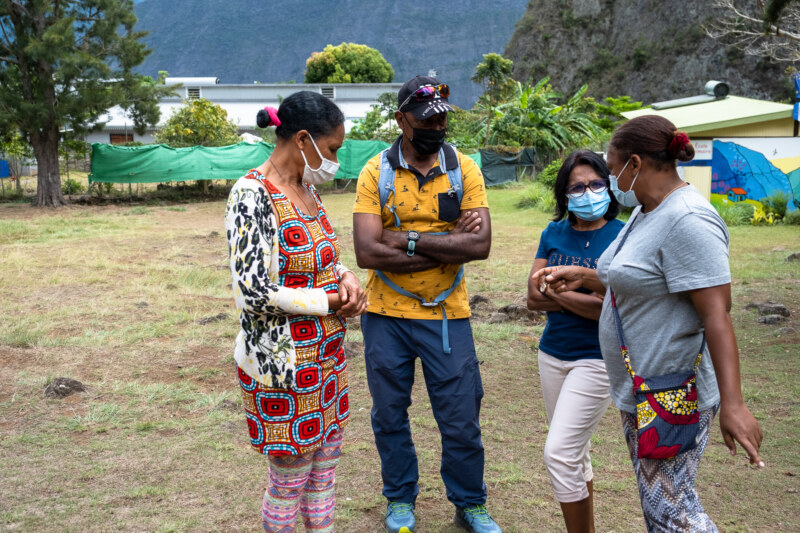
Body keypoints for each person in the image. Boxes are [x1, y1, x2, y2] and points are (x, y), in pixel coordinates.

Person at [531, 115, 764, 532]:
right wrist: (584, 276)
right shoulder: (647, 211)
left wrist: (734, 404)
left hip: (673, 391)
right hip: (642, 386)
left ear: (633, 164)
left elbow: (717, 313)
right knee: (662, 506)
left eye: (612, 165)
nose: (610, 178)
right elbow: (638, 273)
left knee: (671, 511)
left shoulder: (689, 219)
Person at [352, 76, 502, 533]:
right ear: (402, 120)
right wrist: (448, 240)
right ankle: (400, 499)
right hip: (385, 317)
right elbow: (366, 253)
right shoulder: (375, 172)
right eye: (426, 119)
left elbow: (480, 247)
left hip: (446, 314)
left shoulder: (465, 168)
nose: (437, 126)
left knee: (460, 419)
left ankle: (470, 503)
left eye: (442, 118)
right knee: (389, 415)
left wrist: (405, 239)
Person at [224, 91, 367, 533]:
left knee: (324, 473)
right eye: (333, 148)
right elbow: (252, 290)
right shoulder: (252, 195)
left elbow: (323, 256)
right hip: (282, 368)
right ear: (302, 139)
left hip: (325, 361)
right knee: (289, 483)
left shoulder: (306, 190)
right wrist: (328, 302)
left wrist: (346, 277)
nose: (335, 159)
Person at [526, 150, 623, 533]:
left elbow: (610, 311)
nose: (588, 192)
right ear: (564, 195)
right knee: (575, 452)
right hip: (552, 354)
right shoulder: (553, 233)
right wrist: (581, 295)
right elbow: (532, 297)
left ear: (609, 186)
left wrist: (559, 291)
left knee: (560, 452)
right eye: (577, 187)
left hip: (597, 359)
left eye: (596, 184)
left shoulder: (622, 234)